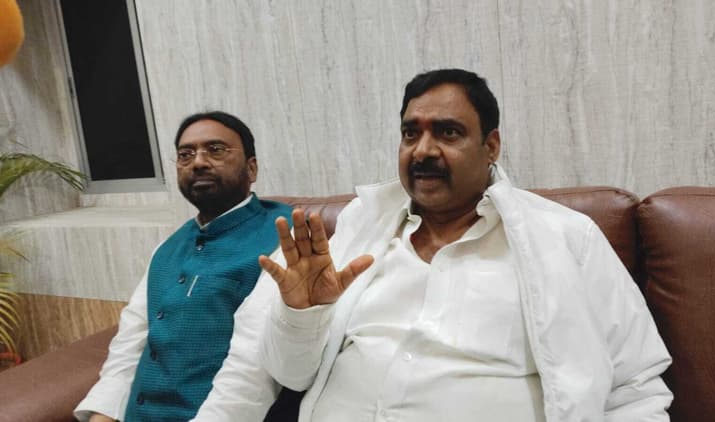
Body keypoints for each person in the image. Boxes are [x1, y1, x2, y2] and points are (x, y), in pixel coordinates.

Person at [254, 69, 673, 421]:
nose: (423, 150)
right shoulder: (360, 228)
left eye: (448, 132)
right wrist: (302, 314)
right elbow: (291, 375)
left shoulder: (566, 237)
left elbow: (636, 386)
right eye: (410, 133)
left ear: (491, 146)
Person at [74, 111, 291, 422]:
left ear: (251, 168)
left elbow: (255, 370)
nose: (198, 162)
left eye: (216, 150)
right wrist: (102, 415)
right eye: (185, 154)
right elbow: (130, 344)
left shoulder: (286, 236)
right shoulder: (167, 249)